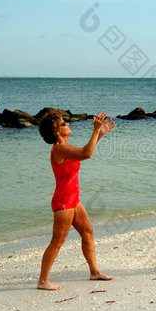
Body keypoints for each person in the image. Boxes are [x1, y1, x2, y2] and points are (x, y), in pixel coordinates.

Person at [37, 111, 115, 290]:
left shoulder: (65, 146)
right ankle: (42, 281)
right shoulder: (59, 148)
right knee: (57, 241)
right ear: (57, 131)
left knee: (87, 231)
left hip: (73, 199)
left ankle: (94, 271)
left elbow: (83, 152)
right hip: (64, 201)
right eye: (64, 123)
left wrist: (100, 134)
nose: (68, 124)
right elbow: (87, 154)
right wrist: (95, 131)